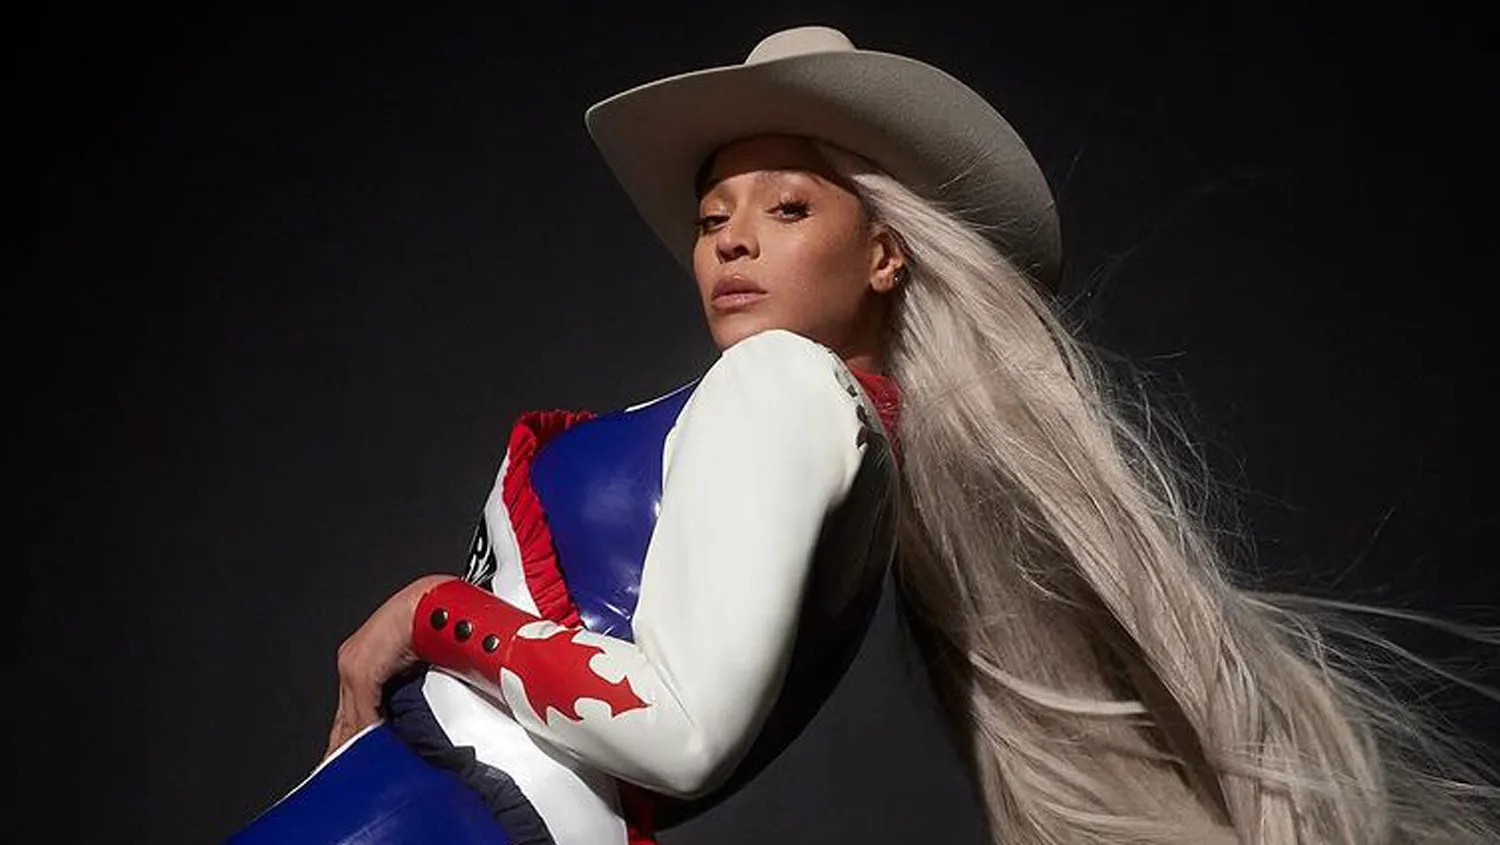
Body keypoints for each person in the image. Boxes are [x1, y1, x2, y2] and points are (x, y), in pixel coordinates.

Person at [227, 24, 1498, 845]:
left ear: (886, 252)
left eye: (787, 207)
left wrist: (432, 611)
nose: (731, 237)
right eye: (713, 215)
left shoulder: (784, 385)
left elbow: (680, 728)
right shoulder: (840, 444)